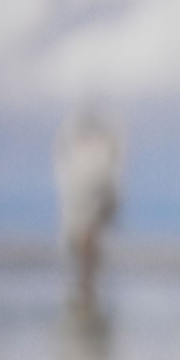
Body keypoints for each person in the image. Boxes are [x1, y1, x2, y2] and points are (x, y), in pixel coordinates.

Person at [54, 108, 122, 292]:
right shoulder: (96, 149)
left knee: (86, 233)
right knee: (87, 233)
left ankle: (86, 282)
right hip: (89, 196)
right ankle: (86, 282)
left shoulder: (86, 150)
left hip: (87, 196)